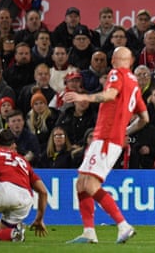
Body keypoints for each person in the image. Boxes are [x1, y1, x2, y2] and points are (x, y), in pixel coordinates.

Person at [63, 46, 148, 244]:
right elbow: (144, 117)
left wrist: (84, 97)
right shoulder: (135, 84)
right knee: (81, 183)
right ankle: (89, 232)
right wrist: (125, 131)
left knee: (90, 184)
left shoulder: (116, 74)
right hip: (111, 138)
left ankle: (123, 225)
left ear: (114, 61)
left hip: (106, 138)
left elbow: (109, 95)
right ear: (132, 60)